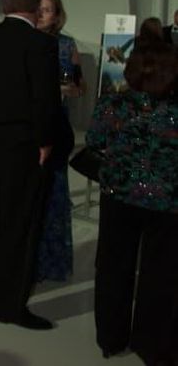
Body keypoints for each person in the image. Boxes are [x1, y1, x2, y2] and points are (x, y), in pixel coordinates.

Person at [0, 0, 61, 330]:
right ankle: (8, 306)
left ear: (6, 5)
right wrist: (46, 142)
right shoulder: (41, 45)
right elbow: (45, 99)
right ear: (36, 8)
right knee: (18, 224)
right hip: (23, 143)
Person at [87, 42, 178, 364]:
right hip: (169, 203)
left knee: (113, 267)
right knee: (162, 273)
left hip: (119, 197)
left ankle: (110, 338)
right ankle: (152, 343)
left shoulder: (112, 104)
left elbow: (94, 142)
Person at [34, 0, 82, 283]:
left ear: (57, 15)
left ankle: (51, 262)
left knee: (54, 192)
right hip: (29, 127)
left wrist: (64, 89)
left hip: (56, 125)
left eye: (48, 9)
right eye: (39, 8)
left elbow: (79, 86)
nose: (42, 14)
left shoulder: (67, 45)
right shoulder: (24, 41)